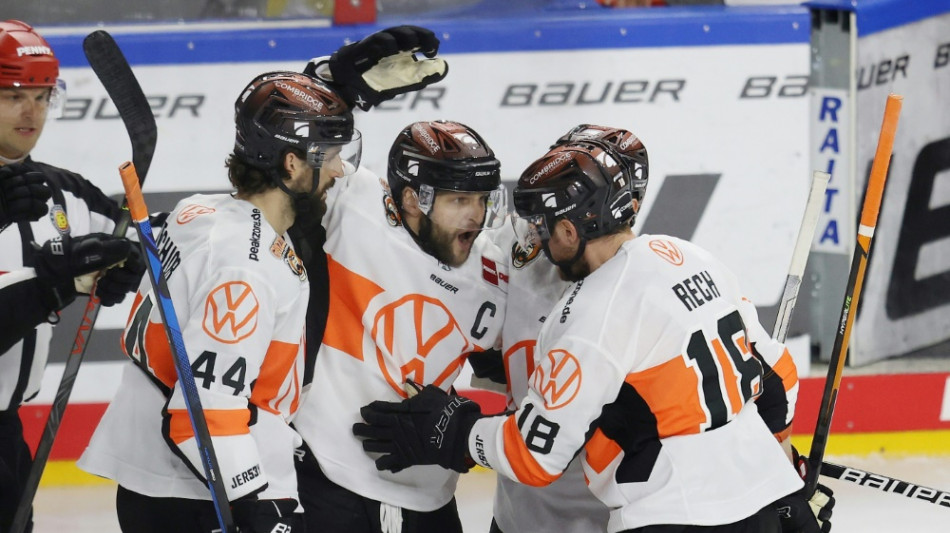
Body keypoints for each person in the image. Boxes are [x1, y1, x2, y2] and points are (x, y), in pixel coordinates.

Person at [354, 137, 835, 532]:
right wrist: (779, 465)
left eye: (544, 227)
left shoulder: (589, 312)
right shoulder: (688, 255)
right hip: (775, 509)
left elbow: (534, 457)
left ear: (568, 231)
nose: (536, 240)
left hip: (675, 518)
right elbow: (779, 379)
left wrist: (457, 431)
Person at [77, 70, 361, 532]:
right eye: (329, 156)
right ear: (291, 163)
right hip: (198, 493)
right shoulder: (245, 266)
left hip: (161, 483)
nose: (339, 169)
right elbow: (204, 414)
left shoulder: (202, 210)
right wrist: (255, 504)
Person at [291, 119, 509, 533]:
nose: (476, 216)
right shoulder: (353, 202)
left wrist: (462, 428)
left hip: (430, 498)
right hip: (326, 479)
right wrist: (334, 78)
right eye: (460, 200)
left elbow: (517, 373)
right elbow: (297, 157)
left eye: (481, 200)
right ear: (412, 198)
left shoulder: (494, 272)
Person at [0, 19, 144, 532]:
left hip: (5, 435)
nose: (31, 111)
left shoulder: (65, 194)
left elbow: (155, 251)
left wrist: (130, 263)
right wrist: (54, 285)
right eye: (14, 94)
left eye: (42, 95)